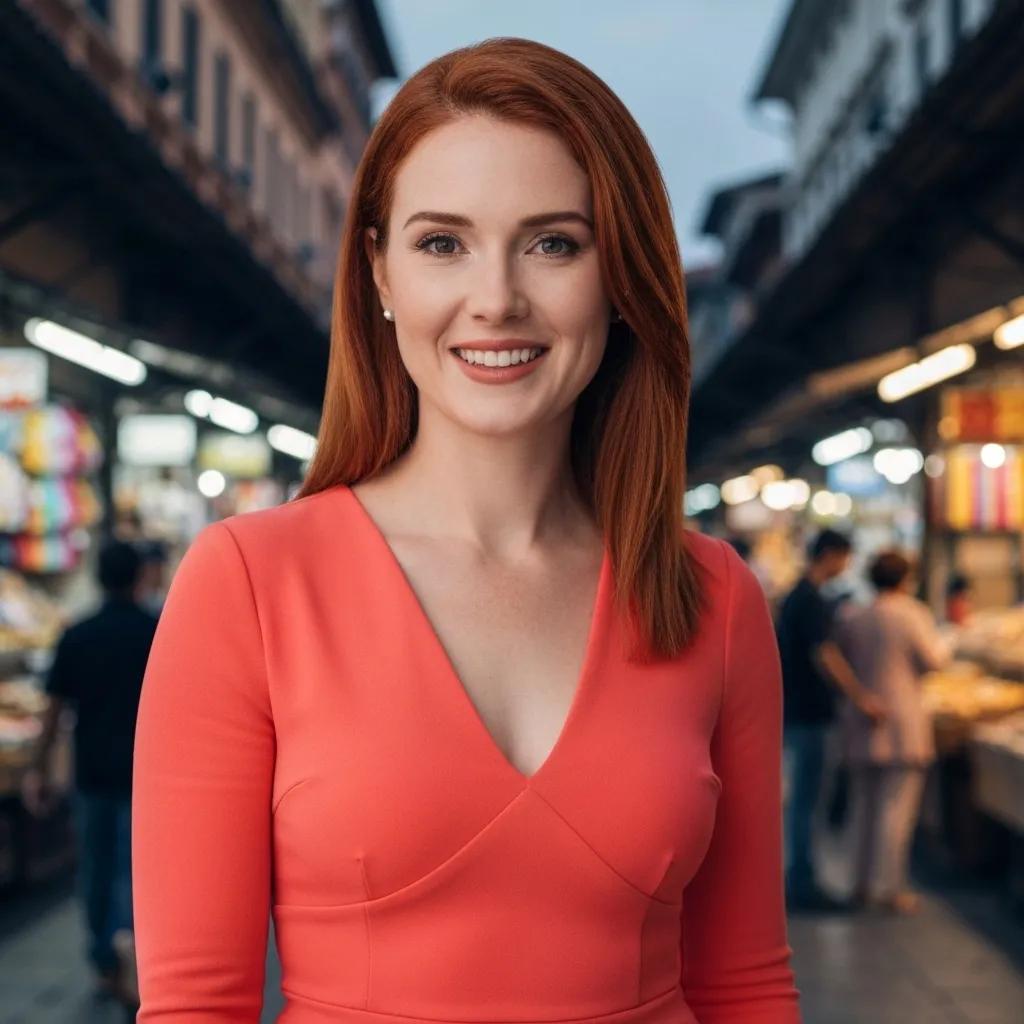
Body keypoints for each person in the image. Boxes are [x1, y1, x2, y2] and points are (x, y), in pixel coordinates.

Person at [131, 38, 801, 1024]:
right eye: (442, 242)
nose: (496, 297)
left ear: (619, 277)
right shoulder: (248, 583)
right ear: (379, 270)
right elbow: (195, 1007)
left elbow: (744, 985)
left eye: (553, 243)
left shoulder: (714, 598)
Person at [23, 538, 157, 1007]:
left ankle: (105, 960)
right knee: (132, 871)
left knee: (96, 870)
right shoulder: (155, 631)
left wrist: (37, 770)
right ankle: (129, 955)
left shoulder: (78, 634)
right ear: (141, 576)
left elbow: (54, 711)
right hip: (146, 778)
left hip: (93, 774)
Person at [836, 550, 951, 915]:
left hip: (863, 717)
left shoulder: (856, 615)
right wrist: (951, 641)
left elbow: (839, 662)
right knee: (896, 810)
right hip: (902, 721)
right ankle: (889, 887)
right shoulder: (912, 614)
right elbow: (933, 661)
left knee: (863, 807)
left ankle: (859, 883)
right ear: (906, 578)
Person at [775, 529, 885, 911]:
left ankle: (801, 877)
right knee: (808, 799)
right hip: (810, 715)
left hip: (799, 712)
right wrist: (861, 696)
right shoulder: (809, 600)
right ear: (831, 554)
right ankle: (802, 882)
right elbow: (825, 655)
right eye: (845, 556)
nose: (846, 565)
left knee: (804, 799)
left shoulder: (799, 596)